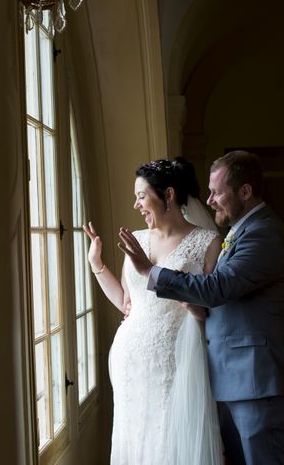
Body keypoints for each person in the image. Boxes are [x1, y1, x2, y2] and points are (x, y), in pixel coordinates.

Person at [118, 150, 284, 465]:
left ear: (245, 192)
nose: (208, 200)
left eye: (217, 192)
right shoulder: (240, 231)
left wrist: (149, 272)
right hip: (236, 380)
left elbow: (218, 288)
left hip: (259, 384)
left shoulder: (264, 235)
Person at [84, 157, 224, 464]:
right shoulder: (136, 240)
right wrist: (97, 264)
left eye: (141, 196)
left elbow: (209, 309)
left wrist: (187, 300)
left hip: (175, 362)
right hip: (129, 364)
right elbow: (125, 301)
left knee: (168, 442)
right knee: (135, 442)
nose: (136, 205)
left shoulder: (207, 242)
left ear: (169, 195)